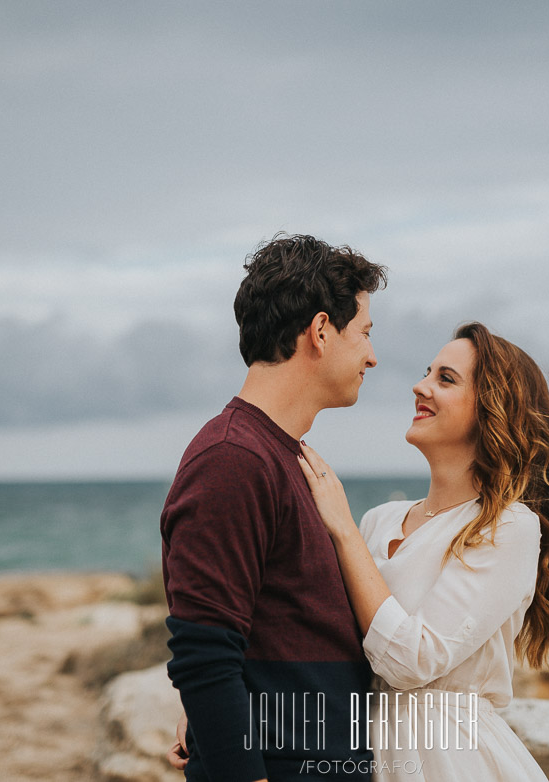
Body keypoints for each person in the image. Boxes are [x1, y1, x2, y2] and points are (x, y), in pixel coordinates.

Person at [295, 322, 549, 780]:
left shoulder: (508, 527)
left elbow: (413, 660)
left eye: (445, 379)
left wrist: (343, 532)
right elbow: (315, 639)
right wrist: (225, 710)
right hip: (364, 756)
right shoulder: (377, 521)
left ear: (491, 411)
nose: (420, 386)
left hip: (454, 760)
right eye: (427, 372)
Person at [159, 233, 387, 782]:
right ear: (321, 331)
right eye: (365, 333)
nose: (372, 357)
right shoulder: (232, 459)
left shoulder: (282, 456)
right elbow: (206, 657)